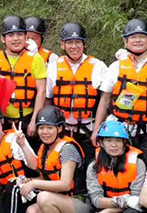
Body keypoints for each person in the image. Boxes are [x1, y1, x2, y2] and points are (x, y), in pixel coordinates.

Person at [92, 18, 147, 162]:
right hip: (118, 130)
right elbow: (104, 100)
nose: (137, 40)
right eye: (133, 37)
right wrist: (96, 129)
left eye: (141, 37)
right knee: (114, 170)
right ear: (125, 42)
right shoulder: (116, 67)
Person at [15, 106, 91, 213]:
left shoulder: (67, 148)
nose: (44, 132)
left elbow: (64, 184)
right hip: (63, 201)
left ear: (60, 128)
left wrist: (34, 184)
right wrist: (28, 180)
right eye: (41, 128)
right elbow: (43, 174)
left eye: (50, 127)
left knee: (43, 197)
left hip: (81, 204)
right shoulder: (46, 147)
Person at [82, 121, 147, 213]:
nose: (114, 145)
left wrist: (106, 210)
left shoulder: (138, 163)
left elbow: (136, 200)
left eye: (118, 140)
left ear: (125, 142)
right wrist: (116, 205)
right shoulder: (94, 166)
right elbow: (97, 200)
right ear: (101, 143)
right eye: (109, 140)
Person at [46, 23, 107, 159]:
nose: (74, 46)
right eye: (70, 42)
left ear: (84, 44)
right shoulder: (54, 66)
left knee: (87, 167)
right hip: (62, 129)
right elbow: (48, 98)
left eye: (78, 42)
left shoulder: (98, 66)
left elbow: (105, 100)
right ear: (62, 45)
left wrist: (97, 130)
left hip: (87, 128)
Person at [0, 16, 46, 142]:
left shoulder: (35, 59)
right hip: (2, 121)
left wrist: (34, 120)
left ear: (25, 37)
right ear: (3, 38)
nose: (16, 39)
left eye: (20, 34)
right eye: (11, 35)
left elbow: (41, 92)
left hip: (26, 118)